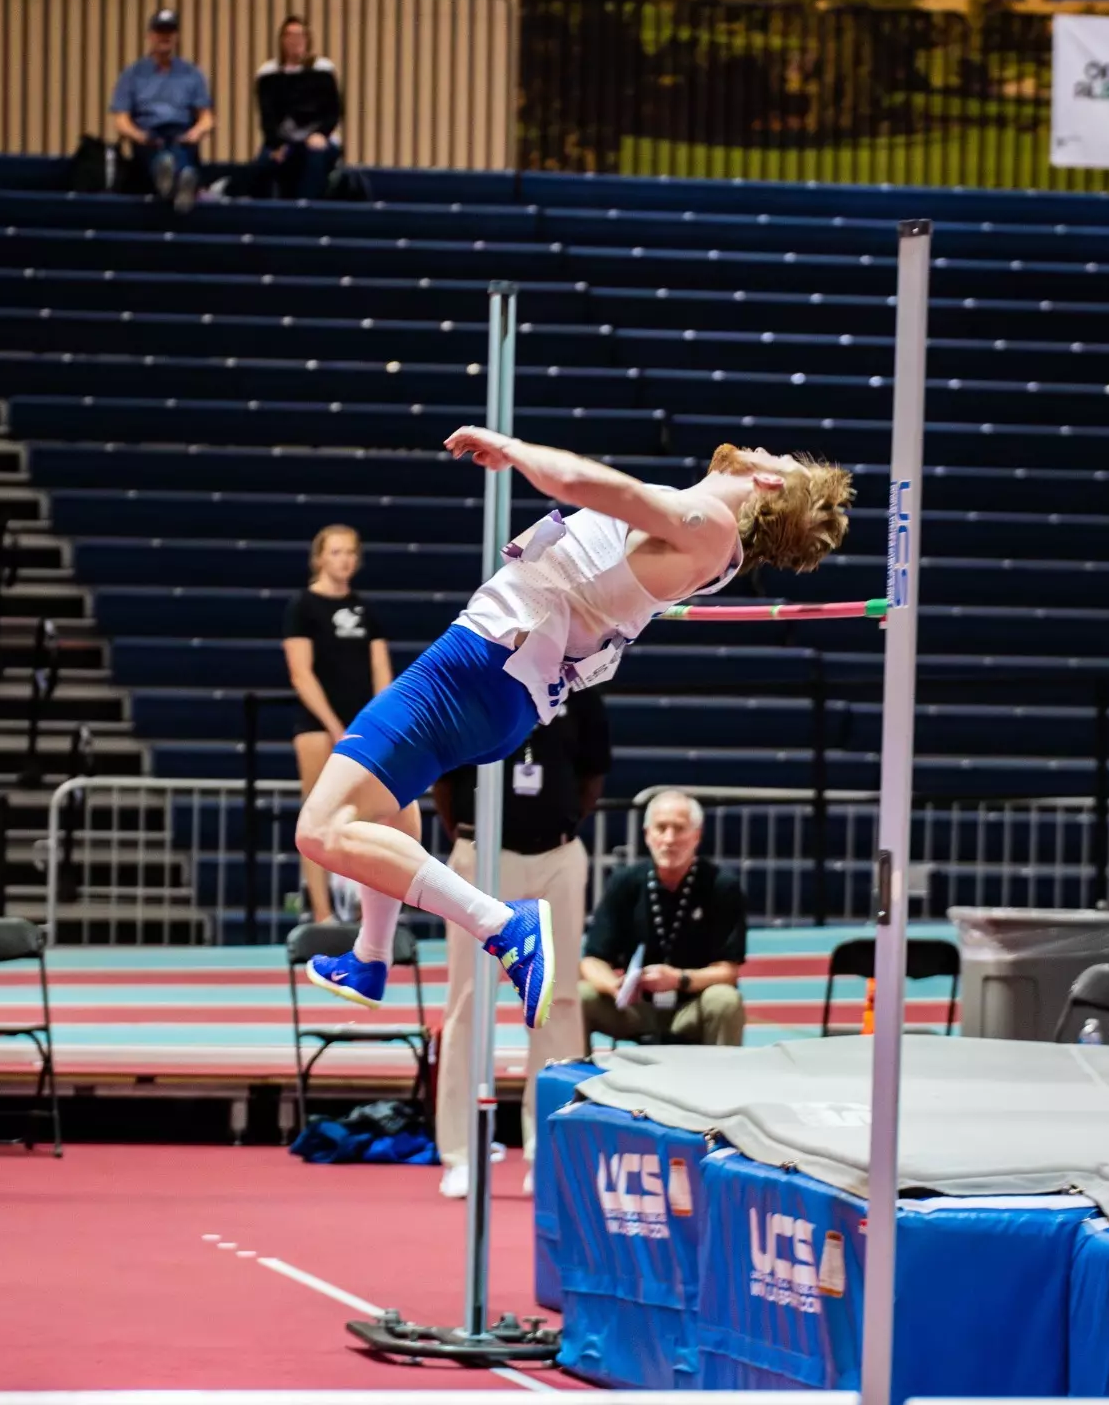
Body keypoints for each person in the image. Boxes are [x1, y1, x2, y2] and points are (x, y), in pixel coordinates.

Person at [296, 431, 852, 1034]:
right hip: (504, 684)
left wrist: (510, 450)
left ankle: (502, 925)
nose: (763, 449)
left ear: (769, 484)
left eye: (779, 458)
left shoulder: (709, 524)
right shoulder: (713, 546)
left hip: (479, 666)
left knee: (320, 829)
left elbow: (590, 486)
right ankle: (371, 958)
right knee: (383, 805)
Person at [431, 690, 611, 1200]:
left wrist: (565, 824)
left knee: (559, 998)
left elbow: (593, 770)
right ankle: (462, 1153)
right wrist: (465, 836)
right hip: (483, 851)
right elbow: (444, 776)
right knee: (469, 1001)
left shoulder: (582, 682)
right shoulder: (478, 676)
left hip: (556, 853)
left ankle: (549, 1149)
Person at [283, 525, 392, 927]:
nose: (343, 559)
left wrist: (379, 722)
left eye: (350, 552)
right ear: (319, 558)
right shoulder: (303, 607)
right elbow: (301, 674)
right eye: (335, 552)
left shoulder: (367, 611)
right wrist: (334, 726)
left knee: (367, 817)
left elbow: (382, 672)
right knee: (317, 815)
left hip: (362, 726)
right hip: (317, 726)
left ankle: (368, 911)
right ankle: (323, 912)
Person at [580, 791, 747, 1048]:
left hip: (692, 1006)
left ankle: (719, 1085)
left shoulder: (721, 886)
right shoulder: (625, 882)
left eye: (679, 829)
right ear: (648, 835)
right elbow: (592, 961)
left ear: (696, 836)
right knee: (581, 996)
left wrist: (679, 978)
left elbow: (728, 971)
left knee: (725, 1000)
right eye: (661, 828)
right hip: (636, 1007)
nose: (669, 839)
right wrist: (615, 986)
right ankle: (577, 1083)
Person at [109, 9, 214, 213]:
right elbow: (121, 119)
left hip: (180, 131)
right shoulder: (133, 74)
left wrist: (197, 132)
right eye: (160, 31)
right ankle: (179, 177)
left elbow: (206, 116)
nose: (165, 36)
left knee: (178, 147)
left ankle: (173, 178)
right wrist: (137, 135)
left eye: (170, 31)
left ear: (176, 36)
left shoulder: (192, 74)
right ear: (150, 35)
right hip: (148, 133)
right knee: (159, 151)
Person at [255, 16, 343, 201]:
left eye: (300, 35)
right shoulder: (268, 73)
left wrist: (320, 133)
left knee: (314, 157)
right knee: (262, 164)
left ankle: (306, 210)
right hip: (283, 139)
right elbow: (267, 116)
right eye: (290, 35)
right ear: (282, 40)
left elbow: (333, 111)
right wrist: (277, 144)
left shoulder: (323, 70)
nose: (295, 40)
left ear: (308, 39)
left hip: (318, 137)